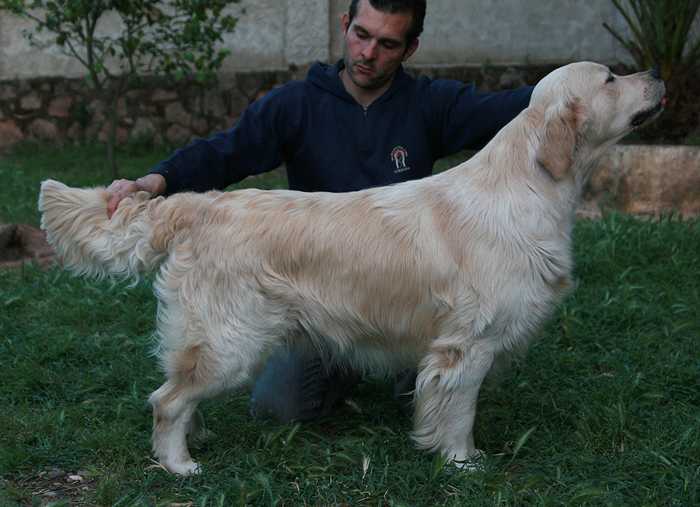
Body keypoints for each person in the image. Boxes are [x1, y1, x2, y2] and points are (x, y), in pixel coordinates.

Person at [106, 0, 534, 424]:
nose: (367, 54)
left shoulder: (431, 104)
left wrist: (585, 84)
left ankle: (410, 374)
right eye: (361, 35)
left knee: (438, 374)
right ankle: (348, 370)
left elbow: (511, 109)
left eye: (387, 43)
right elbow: (226, 151)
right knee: (279, 410)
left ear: (410, 48)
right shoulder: (297, 103)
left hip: (406, 297)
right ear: (345, 25)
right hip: (315, 298)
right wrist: (155, 181)